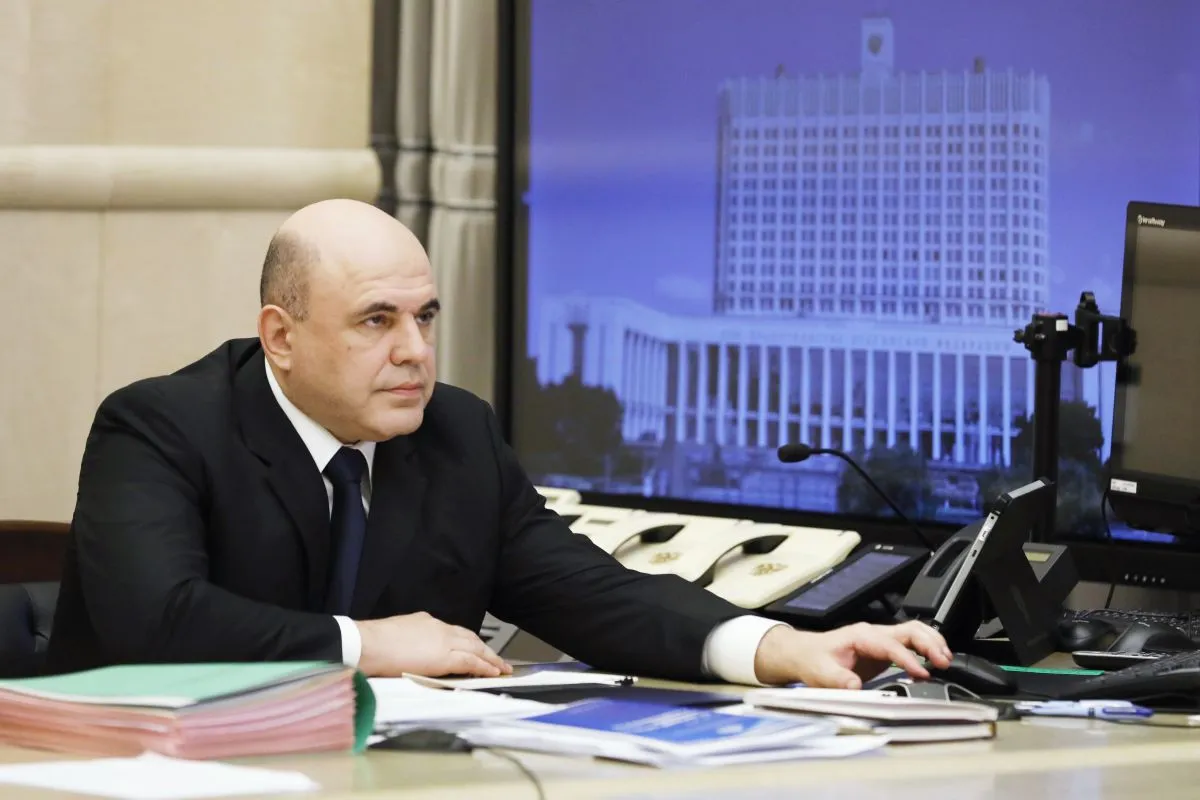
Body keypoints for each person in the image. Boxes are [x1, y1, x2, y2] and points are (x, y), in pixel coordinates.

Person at [47, 199, 952, 687]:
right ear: (281, 337)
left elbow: (589, 593)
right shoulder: (160, 427)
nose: (415, 350)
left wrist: (774, 646)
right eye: (376, 320)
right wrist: (365, 643)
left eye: (426, 316)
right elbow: (159, 623)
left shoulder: (456, 432)